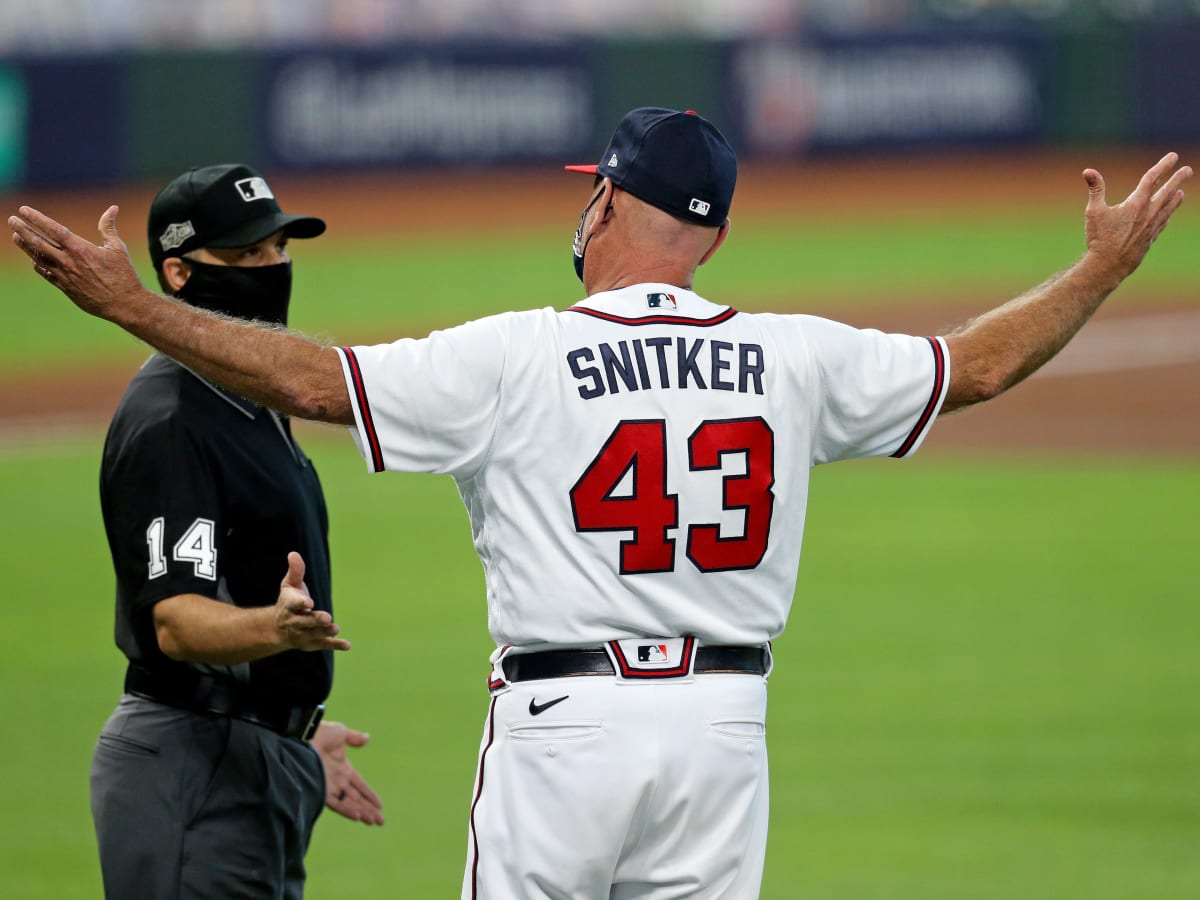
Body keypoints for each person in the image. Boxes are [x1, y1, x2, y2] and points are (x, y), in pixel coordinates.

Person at [8, 109, 1189, 899]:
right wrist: (1099, 270)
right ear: (714, 230)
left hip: (565, 727)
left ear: (611, 206)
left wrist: (132, 307)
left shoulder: (517, 357)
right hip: (726, 736)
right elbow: (974, 365)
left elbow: (315, 379)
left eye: (593, 195)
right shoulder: (792, 357)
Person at [79, 164, 383, 900]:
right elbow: (177, 623)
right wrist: (276, 630)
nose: (271, 270)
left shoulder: (244, 401)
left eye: (277, 250)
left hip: (247, 755)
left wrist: (289, 727)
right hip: (192, 765)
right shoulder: (175, 417)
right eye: (245, 255)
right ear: (178, 273)